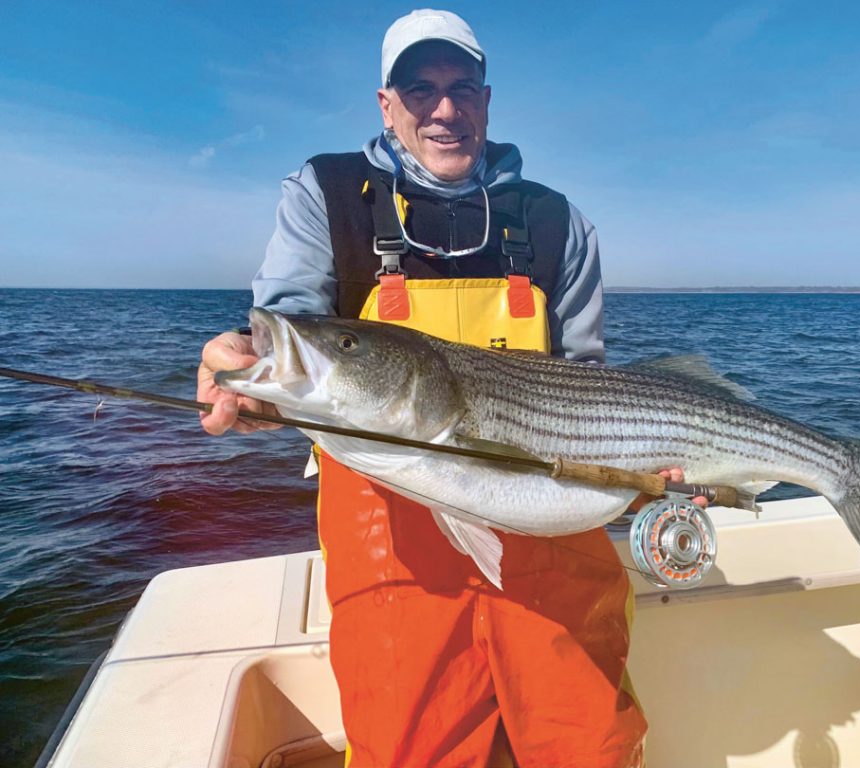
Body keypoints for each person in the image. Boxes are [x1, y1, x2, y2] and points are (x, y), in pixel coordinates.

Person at [198, 10, 681, 767]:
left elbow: (587, 383)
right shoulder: (328, 191)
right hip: (393, 556)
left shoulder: (558, 221)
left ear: (487, 100)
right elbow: (286, 322)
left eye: (462, 89)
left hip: (549, 548)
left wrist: (651, 470)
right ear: (386, 104)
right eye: (420, 89)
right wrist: (245, 366)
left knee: (586, 745)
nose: (445, 110)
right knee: (407, 749)